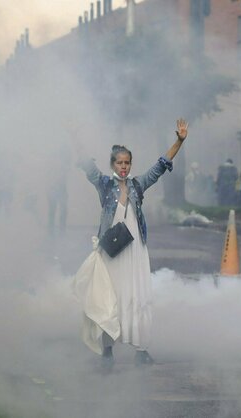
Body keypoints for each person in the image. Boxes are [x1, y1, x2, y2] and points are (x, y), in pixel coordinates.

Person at [76, 119, 188, 368]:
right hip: (112, 252)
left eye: (127, 163)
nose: (124, 167)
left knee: (137, 296)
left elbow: (161, 166)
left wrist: (179, 141)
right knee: (110, 298)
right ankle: (107, 352)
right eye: (119, 162)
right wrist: (76, 137)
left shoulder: (138, 185)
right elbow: (87, 166)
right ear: (112, 164)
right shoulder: (104, 185)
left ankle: (141, 350)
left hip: (136, 250)